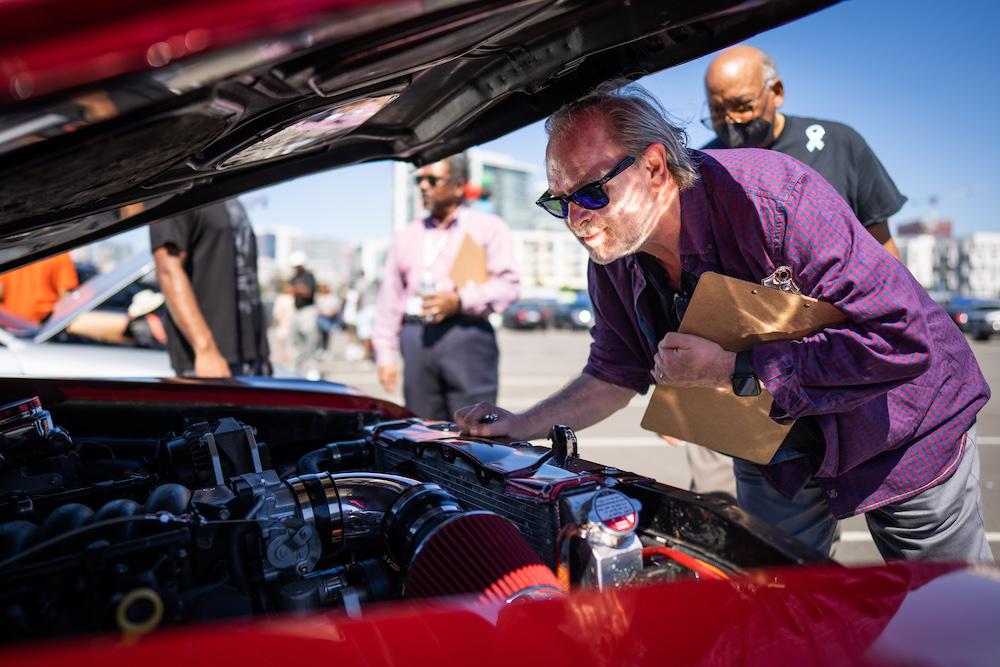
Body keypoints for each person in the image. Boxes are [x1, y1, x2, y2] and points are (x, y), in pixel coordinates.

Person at [454, 85, 992, 562]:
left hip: (900, 427)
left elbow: (898, 338)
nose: (577, 219)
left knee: (942, 612)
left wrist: (738, 368)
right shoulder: (614, 256)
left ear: (655, 168)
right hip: (774, 453)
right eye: (561, 201)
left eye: (592, 194)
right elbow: (613, 374)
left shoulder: (776, 198)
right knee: (778, 607)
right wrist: (518, 425)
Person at [688, 45, 910, 501]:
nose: (731, 122)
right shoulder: (701, 167)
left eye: (742, 106)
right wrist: (686, 394)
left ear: (777, 92)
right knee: (779, 554)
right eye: (717, 113)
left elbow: (886, 253)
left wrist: (898, 322)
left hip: (844, 361)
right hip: (752, 384)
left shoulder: (836, 144)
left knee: (907, 522)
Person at [372, 154, 520, 420]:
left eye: (433, 180)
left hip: (466, 335)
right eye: (419, 180)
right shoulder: (407, 236)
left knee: (475, 432)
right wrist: (384, 354)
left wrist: (460, 300)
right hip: (417, 336)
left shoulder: (488, 228)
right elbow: (389, 299)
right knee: (421, 430)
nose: (424, 187)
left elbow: (508, 287)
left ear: (459, 185)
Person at [150, 199, 271, 377]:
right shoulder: (177, 190)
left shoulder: (226, 195)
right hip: (210, 363)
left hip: (251, 359)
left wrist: (262, 353)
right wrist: (205, 349)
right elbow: (168, 269)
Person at [0, 252, 78, 323]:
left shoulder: (7, 255)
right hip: (46, 324)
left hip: (13, 325)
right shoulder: (60, 253)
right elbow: (66, 297)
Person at [288, 251, 320, 379]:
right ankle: (297, 368)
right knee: (297, 342)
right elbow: (288, 290)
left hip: (308, 311)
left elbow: (308, 293)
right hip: (297, 311)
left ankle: (312, 368)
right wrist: (298, 290)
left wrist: (299, 290)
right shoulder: (293, 278)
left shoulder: (309, 276)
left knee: (310, 340)